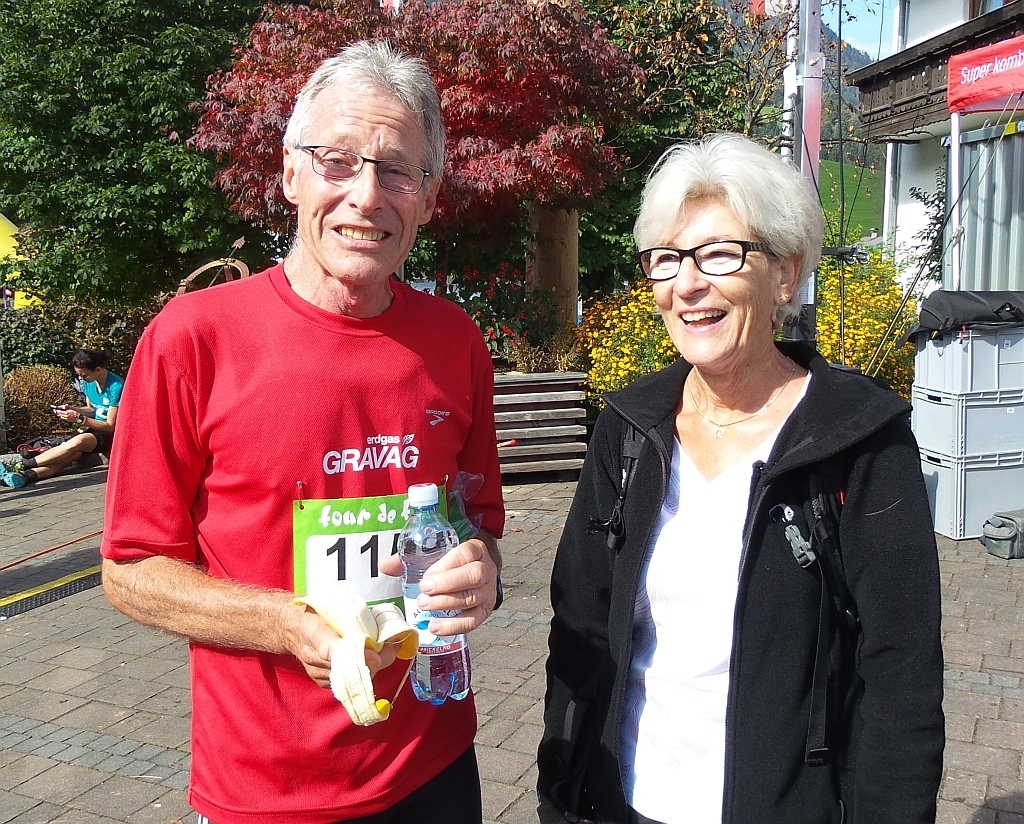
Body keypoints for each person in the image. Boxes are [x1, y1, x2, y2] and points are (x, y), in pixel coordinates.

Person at [100, 42, 505, 824]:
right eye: (338, 161)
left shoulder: (455, 341)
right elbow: (130, 569)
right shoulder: (193, 339)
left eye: (397, 171)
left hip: (435, 765)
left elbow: (476, 522)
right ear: (290, 174)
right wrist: (285, 624)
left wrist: (481, 570)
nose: (366, 195)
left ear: (428, 197)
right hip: (268, 789)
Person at [537, 134, 944, 824]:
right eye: (666, 259)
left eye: (720, 254)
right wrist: (560, 792)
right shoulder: (629, 431)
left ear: (785, 273)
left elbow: (900, 677)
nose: (687, 284)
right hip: (624, 801)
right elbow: (578, 630)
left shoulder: (859, 443)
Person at [0, 349, 123, 489]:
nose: (81, 379)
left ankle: (21, 465)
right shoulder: (90, 382)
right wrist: (72, 408)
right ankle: (24, 475)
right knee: (66, 456)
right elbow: (91, 409)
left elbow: (110, 425)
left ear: (98, 369)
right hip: (94, 430)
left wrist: (79, 419)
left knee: (79, 441)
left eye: (84, 375)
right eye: (78, 375)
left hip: (112, 434)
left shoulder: (116, 386)